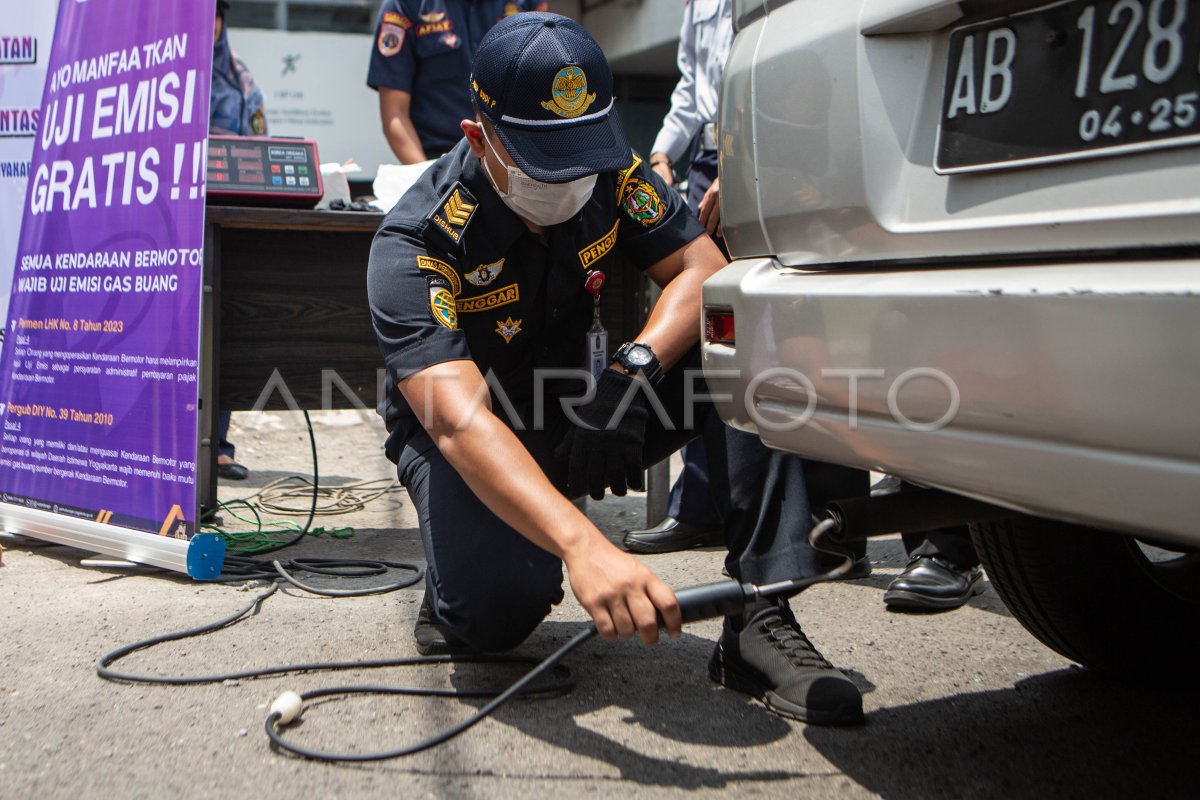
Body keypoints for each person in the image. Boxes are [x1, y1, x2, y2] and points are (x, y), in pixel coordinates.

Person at [368, 12, 865, 725]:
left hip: (587, 409)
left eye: (586, 152)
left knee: (744, 329)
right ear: (481, 138)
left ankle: (762, 613)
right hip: (475, 438)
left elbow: (704, 270)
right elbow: (456, 419)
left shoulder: (609, 173)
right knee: (492, 618)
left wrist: (633, 372)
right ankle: (465, 569)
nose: (574, 178)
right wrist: (582, 544)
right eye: (548, 161)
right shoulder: (416, 238)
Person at [366, 0, 548, 165]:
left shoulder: (526, 4)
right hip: (438, 160)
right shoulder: (404, 6)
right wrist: (429, 185)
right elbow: (395, 114)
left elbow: (543, 94)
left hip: (513, 161)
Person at [209, 0, 264, 480]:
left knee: (222, 327)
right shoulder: (157, 72)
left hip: (221, 218)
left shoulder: (240, 78)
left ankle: (217, 445)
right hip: (162, 224)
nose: (208, 24)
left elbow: (258, 147)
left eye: (216, 14)